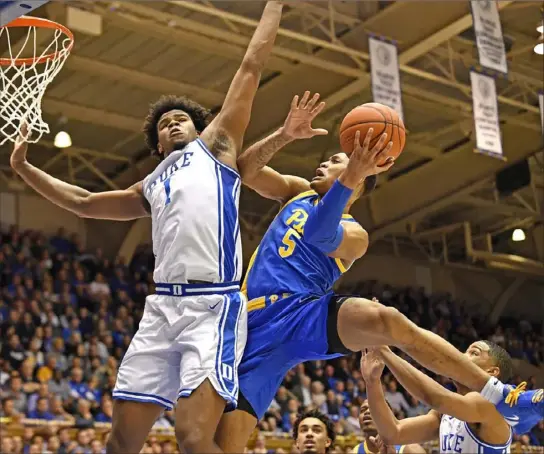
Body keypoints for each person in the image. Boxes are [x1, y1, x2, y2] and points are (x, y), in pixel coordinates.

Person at [9, 3, 284, 452]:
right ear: (157, 145)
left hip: (212, 307)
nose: (173, 121)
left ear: (199, 128)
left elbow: (251, 67)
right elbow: (82, 201)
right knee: (121, 441)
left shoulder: (216, 150)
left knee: (193, 439)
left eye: (181, 118)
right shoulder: (152, 183)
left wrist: (274, 4)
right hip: (161, 312)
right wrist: (23, 169)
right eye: (163, 123)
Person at [215, 92, 499, 452]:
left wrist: (352, 173)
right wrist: (285, 134)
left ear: (358, 179)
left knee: (384, 319)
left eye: (335, 160)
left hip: (299, 315)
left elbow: (319, 232)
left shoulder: (355, 234)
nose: (322, 165)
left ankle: (493, 390)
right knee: (219, 445)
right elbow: (245, 169)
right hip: (245, 322)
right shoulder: (297, 192)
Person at [360, 342, 513, 453]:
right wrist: (372, 382)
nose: (462, 356)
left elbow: (434, 398)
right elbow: (394, 433)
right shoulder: (445, 414)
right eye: (464, 351)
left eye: (474, 353)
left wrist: (384, 351)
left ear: (492, 372)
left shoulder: (492, 404)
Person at [352, 400, 425, 454]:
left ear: (390, 416)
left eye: (374, 408)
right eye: (362, 410)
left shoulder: (412, 450)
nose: (367, 412)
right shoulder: (354, 452)